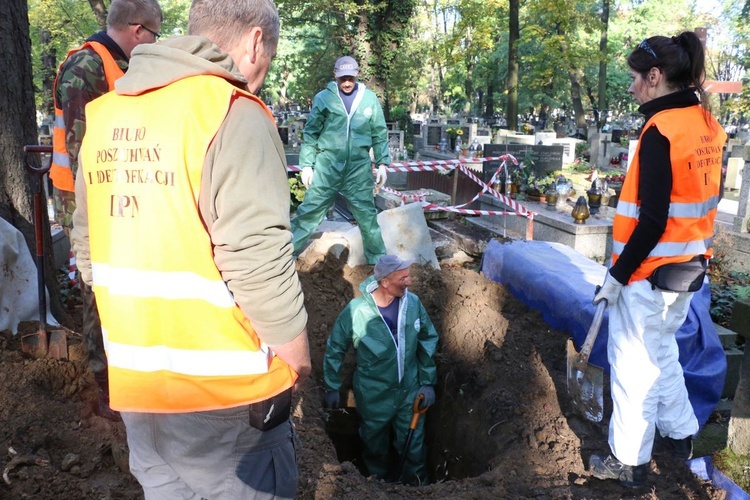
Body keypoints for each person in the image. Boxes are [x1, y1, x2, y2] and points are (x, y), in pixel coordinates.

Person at [70, 0, 311, 497]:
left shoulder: (106, 114)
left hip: (139, 391)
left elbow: (88, 253)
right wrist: (297, 361)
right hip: (225, 403)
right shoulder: (232, 112)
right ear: (256, 42)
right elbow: (258, 261)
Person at [589, 31, 727, 488]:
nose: (630, 88)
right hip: (688, 271)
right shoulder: (706, 124)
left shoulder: (660, 131)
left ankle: (626, 462)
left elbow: (650, 221)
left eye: (634, 78)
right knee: (663, 353)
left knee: (632, 368)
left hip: (648, 276)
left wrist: (617, 275)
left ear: (655, 76)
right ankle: (684, 433)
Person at [51, 0, 163, 421]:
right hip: (87, 201)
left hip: (119, 194)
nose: (154, 45)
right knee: (100, 290)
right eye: (154, 36)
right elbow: (87, 153)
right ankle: (106, 389)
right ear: (137, 30)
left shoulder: (117, 64)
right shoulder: (86, 68)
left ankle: (131, 371)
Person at [323, 255, 439, 485]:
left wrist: (427, 382)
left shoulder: (413, 303)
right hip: (373, 392)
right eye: (403, 277)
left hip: (409, 389)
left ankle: (417, 487)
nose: (409, 282)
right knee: (375, 445)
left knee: (413, 444)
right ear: (385, 282)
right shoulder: (357, 311)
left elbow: (428, 338)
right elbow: (335, 347)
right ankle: (378, 485)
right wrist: (332, 386)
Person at [291, 56, 391, 264]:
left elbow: (379, 133)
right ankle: (282, 258)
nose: (347, 83)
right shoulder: (323, 98)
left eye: (351, 78)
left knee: (367, 216)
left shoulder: (369, 99)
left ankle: (379, 265)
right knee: (309, 212)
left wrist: (382, 163)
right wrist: (307, 165)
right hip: (327, 166)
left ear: (357, 76)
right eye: (343, 78)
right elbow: (311, 133)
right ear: (335, 76)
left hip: (358, 168)